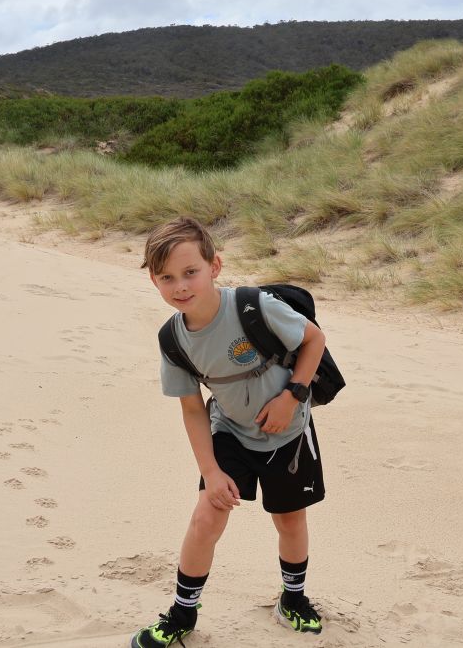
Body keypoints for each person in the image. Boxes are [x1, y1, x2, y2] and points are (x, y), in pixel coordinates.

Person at [132, 216, 327, 647]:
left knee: (290, 519)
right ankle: (183, 613)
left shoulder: (252, 306)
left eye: (190, 272)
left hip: (289, 431)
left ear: (214, 266)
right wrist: (211, 471)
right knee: (207, 515)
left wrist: (292, 397)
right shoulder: (173, 340)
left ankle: (292, 599)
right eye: (167, 278)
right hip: (230, 431)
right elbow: (192, 409)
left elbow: (314, 340)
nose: (180, 286)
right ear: (154, 281)